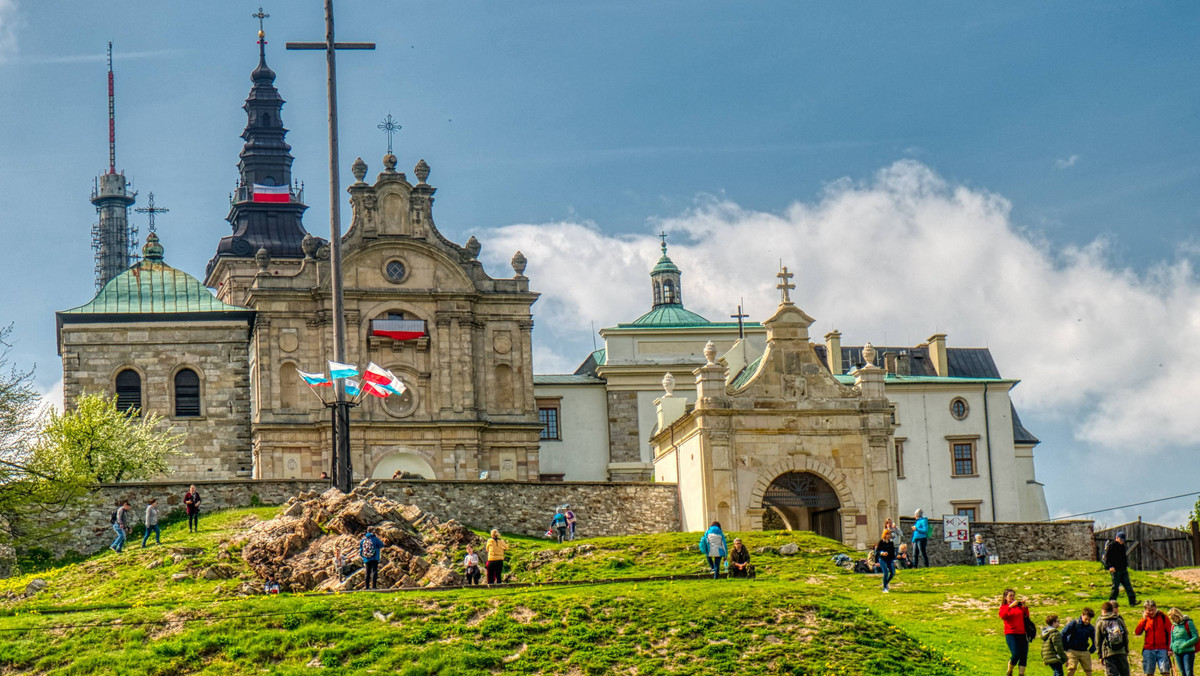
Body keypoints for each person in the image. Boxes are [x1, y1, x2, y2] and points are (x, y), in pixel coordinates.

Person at [1000, 588, 1033, 676]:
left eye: (1013, 595)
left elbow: (1026, 617)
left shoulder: (1019, 607)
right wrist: (1010, 606)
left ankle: (1021, 674)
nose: (1012, 597)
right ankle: (1010, 670)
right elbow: (1003, 615)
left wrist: (1025, 607)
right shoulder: (1004, 607)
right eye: (1010, 596)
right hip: (1011, 633)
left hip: (1022, 633)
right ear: (1006, 597)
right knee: (1016, 653)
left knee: (1023, 655)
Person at [1134, 600, 1172, 676]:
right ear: (1145, 610)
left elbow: (1170, 633)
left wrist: (1170, 649)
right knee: (1149, 672)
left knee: (1165, 671)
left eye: (1152, 610)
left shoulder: (1163, 617)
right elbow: (1137, 632)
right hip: (1148, 649)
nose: (1151, 612)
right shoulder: (1145, 619)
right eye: (1149, 610)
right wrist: (1143, 619)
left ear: (1156, 608)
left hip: (1162, 648)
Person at [1096, 600, 1131, 676]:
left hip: (1108, 653)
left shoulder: (1101, 623)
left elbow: (1098, 641)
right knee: (1125, 673)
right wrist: (1126, 650)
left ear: (1103, 611)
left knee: (1111, 674)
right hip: (1121, 651)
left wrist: (1100, 655)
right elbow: (1125, 635)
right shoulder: (1119, 620)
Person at [1104, 531, 1138, 607]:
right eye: (1121, 539)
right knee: (1115, 587)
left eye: (1123, 540)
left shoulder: (1122, 547)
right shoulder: (1112, 545)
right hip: (1115, 570)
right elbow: (1107, 558)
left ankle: (1132, 601)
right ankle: (1112, 603)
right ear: (1117, 538)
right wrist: (1110, 566)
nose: (1122, 541)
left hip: (1123, 569)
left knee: (1128, 586)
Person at [1062, 607, 1097, 676]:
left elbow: (1096, 640)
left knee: (1088, 670)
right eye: (1086, 619)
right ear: (1082, 615)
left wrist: (1091, 650)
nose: (1087, 621)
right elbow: (1063, 633)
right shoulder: (1074, 623)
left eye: (1089, 620)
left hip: (1084, 651)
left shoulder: (1090, 628)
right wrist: (1066, 647)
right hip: (1072, 651)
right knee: (1071, 668)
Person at [1168, 607, 1197, 676]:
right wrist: (1171, 648)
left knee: (1188, 673)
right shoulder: (1173, 626)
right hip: (1177, 652)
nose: (1172, 620)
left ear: (1178, 616)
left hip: (1188, 652)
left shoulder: (1188, 623)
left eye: (1173, 618)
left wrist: (1185, 644)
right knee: (1182, 673)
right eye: (1171, 619)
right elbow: (1172, 639)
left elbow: (1195, 637)